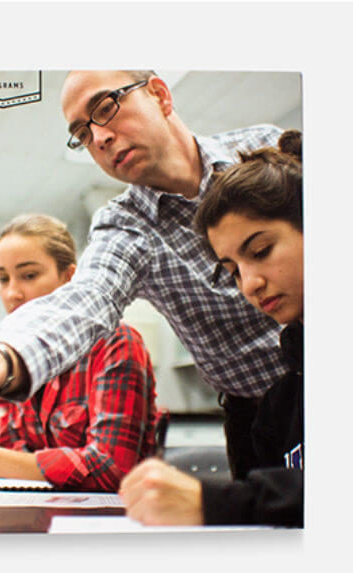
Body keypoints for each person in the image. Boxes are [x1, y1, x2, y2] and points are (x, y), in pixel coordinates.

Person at [0, 70, 290, 478]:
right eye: (83, 135)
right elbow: (87, 298)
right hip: (258, 417)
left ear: (160, 94)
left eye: (105, 108)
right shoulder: (127, 226)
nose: (100, 138)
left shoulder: (265, 149)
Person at [119, 130, 304, 526]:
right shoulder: (279, 406)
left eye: (261, 251)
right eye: (233, 271)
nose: (249, 285)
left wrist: (218, 504)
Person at [0, 214, 159, 491]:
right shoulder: (4, 355)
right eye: (2, 278)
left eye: (29, 275)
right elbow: (3, 443)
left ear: (69, 278)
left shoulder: (114, 343)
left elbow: (111, 467)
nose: (12, 293)